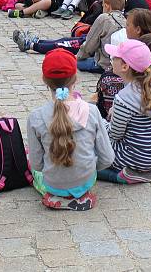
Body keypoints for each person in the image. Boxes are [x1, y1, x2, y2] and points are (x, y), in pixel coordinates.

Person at [27, 48, 114, 211]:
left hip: (53, 184)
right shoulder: (92, 111)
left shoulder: (35, 117)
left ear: (44, 80)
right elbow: (107, 158)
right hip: (85, 180)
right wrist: (88, 165)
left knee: (32, 167)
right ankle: (79, 197)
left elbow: (37, 165)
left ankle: (55, 197)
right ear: (76, 78)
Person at [98, 39, 151, 184]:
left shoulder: (124, 98)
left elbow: (113, 135)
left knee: (86, 160)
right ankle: (136, 172)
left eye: (115, 57)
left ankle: (123, 175)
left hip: (130, 158)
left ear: (125, 66)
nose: (112, 59)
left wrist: (99, 122)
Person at [15, 0, 127, 73]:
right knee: (65, 42)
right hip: (113, 60)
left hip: (103, 63)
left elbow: (89, 45)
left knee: (67, 58)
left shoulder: (104, 18)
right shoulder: (125, 19)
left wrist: (77, 57)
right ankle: (36, 41)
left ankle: (31, 45)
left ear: (106, 6)